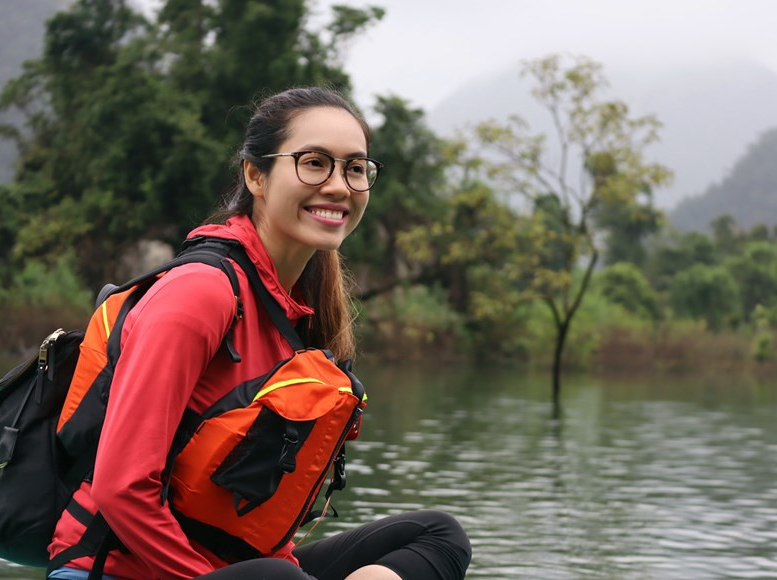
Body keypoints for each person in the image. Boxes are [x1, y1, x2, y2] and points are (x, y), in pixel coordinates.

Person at [46, 86, 471, 580]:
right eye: (314, 162)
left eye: (355, 168)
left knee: (438, 536)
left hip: (238, 568)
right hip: (118, 571)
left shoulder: (296, 314)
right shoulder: (200, 293)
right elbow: (121, 489)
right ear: (256, 175)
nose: (338, 186)